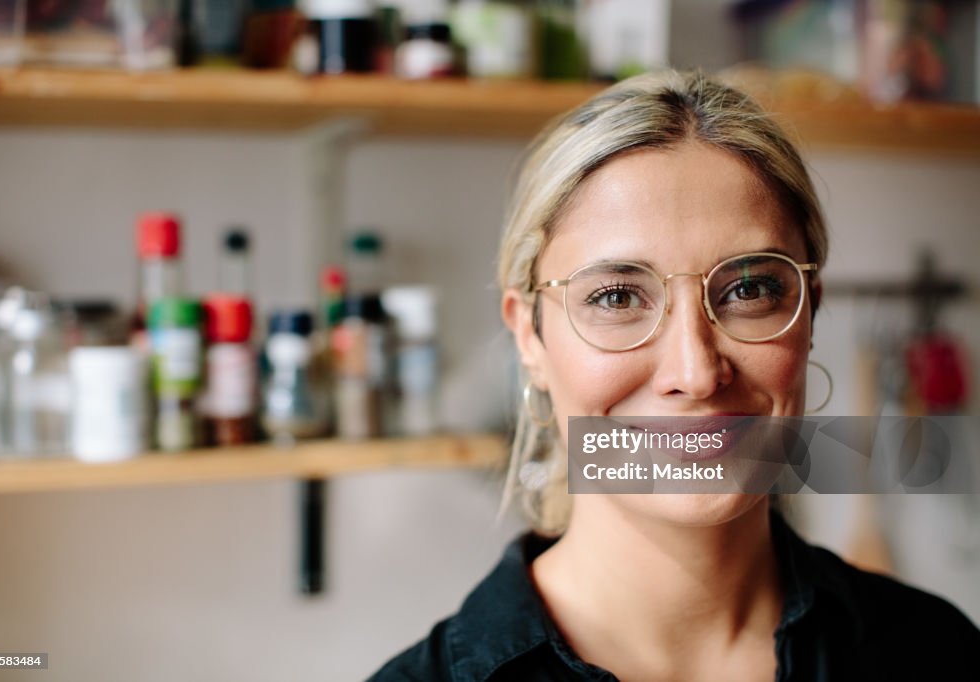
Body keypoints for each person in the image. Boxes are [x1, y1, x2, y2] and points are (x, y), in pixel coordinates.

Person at [367, 70, 980, 681]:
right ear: (528, 335)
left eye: (749, 289)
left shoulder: (933, 653)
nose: (696, 373)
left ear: (810, 309)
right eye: (615, 297)